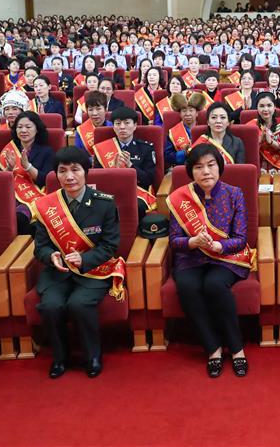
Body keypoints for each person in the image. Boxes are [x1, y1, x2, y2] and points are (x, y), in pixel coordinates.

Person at [33, 147, 123, 379]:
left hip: (93, 271)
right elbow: (40, 247)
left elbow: (110, 245)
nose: (69, 176)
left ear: (86, 172)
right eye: (63, 171)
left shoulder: (104, 203)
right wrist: (50, 256)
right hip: (58, 272)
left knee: (79, 304)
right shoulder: (46, 206)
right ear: (56, 174)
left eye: (75, 170)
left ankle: (92, 356)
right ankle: (60, 357)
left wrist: (85, 259)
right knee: (51, 306)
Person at [167, 144, 254, 378]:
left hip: (225, 257)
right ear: (191, 171)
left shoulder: (234, 194)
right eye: (198, 167)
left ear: (219, 167)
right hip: (191, 258)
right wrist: (192, 241)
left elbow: (240, 238)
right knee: (187, 286)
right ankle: (212, 348)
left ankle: (236, 348)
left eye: (211, 165)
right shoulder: (180, 198)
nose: (205, 171)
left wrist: (219, 246)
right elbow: (174, 240)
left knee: (214, 284)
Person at [93, 107, 157, 219]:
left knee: (132, 205)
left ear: (135, 125)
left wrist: (130, 166)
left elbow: (148, 179)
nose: (122, 127)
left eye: (127, 123)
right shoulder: (102, 149)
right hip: (110, 191)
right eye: (118, 123)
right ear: (113, 126)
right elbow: (97, 179)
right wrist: (114, 169)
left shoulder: (146, 148)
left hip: (137, 193)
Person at [0, 111, 55, 234]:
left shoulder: (46, 151)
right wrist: (9, 169)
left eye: (28, 127)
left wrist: (28, 167)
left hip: (35, 194)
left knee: (20, 218)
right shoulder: (9, 150)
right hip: (11, 193)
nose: (23, 130)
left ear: (37, 129)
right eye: (20, 127)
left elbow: (46, 180)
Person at [164, 92, 206, 171]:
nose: (187, 114)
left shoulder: (204, 131)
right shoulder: (173, 132)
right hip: (182, 168)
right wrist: (184, 153)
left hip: (203, 167)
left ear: (197, 113)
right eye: (184, 111)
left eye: (191, 110)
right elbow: (167, 156)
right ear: (180, 114)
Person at [253, 92, 280, 173]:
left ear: (274, 107)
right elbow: (248, 151)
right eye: (262, 106)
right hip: (258, 166)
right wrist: (260, 141)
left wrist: (271, 142)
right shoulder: (251, 126)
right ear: (257, 107)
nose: (265, 109)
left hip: (279, 166)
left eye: (269, 105)